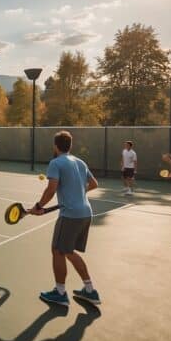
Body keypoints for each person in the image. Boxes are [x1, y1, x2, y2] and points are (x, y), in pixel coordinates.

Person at [33, 131, 100, 307]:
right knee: (68, 252)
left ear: (55, 146)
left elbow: (51, 189)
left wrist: (39, 206)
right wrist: (77, 194)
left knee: (58, 251)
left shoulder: (56, 163)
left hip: (70, 215)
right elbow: (94, 184)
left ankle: (60, 293)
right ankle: (89, 290)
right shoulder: (80, 162)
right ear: (70, 146)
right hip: (86, 213)